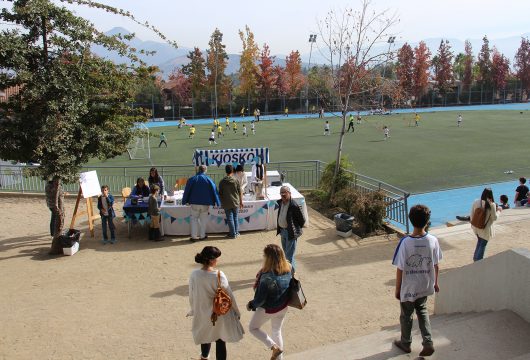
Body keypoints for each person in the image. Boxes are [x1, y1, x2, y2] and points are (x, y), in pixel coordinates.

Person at [392, 204, 442, 357]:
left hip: (409, 287)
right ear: (427, 221)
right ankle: (428, 342)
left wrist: (397, 288)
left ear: (410, 219)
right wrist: (435, 282)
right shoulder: (433, 240)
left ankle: (405, 343)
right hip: (425, 284)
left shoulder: (405, 243)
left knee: (406, 315)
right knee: (423, 310)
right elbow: (436, 265)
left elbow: (400, 268)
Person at [188, 246, 244, 360]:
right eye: (217, 258)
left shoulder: (194, 274)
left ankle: (204, 357)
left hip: (203, 311)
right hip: (218, 312)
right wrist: (237, 311)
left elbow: (192, 294)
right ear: (211, 260)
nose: (218, 260)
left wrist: (193, 309)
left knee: (205, 336)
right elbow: (229, 295)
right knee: (220, 339)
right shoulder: (219, 275)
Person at [247, 244, 292, 360]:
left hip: (268, 309)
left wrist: (251, 305)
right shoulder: (288, 267)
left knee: (253, 328)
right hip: (283, 306)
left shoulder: (266, 277)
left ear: (268, 258)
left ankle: (273, 347)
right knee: (276, 330)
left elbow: (260, 300)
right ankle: (279, 358)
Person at [182, 165, 221, 242]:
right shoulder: (209, 179)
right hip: (205, 203)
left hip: (194, 203)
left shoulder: (192, 179)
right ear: (205, 170)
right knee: (203, 220)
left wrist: (184, 201)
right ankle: (202, 236)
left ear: (198, 170)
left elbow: (187, 191)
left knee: (194, 219)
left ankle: (194, 236)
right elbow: (214, 191)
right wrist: (217, 202)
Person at [276, 185, 305, 270]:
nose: (283, 195)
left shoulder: (294, 205)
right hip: (282, 232)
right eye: (281, 193)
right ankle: (292, 270)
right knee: (287, 253)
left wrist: (294, 229)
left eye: (285, 193)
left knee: (289, 256)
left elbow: (302, 220)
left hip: (290, 233)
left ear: (289, 193)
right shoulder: (280, 202)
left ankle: (290, 274)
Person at [471, 188, 501, 261]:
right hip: (485, 229)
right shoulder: (492, 204)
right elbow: (494, 218)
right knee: (483, 244)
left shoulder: (476, 202)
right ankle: (478, 260)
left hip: (476, 227)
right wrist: (499, 211)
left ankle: (475, 258)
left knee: (479, 242)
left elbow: (472, 214)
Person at [218, 165, 243, 239]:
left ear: (226, 171)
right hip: (235, 201)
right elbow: (240, 192)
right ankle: (236, 232)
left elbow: (220, 193)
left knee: (230, 218)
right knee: (235, 217)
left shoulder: (222, 182)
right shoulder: (236, 180)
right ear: (232, 171)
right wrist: (241, 202)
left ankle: (232, 234)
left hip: (227, 202)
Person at [45, 176, 65, 254]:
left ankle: (53, 233)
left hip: (51, 204)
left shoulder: (49, 186)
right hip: (54, 205)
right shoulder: (53, 187)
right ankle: (54, 233)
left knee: (53, 217)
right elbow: (55, 194)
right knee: (54, 218)